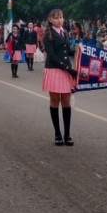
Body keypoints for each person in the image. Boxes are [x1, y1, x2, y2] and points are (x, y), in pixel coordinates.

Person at [42, 8, 77, 146]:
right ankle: (57, 133)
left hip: (66, 70)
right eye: (56, 17)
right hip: (54, 69)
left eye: (61, 17)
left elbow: (67, 50)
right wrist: (68, 68)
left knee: (66, 102)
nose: (60, 20)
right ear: (50, 19)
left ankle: (67, 134)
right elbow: (52, 56)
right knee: (55, 101)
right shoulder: (48, 35)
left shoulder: (65, 32)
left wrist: (79, 50)